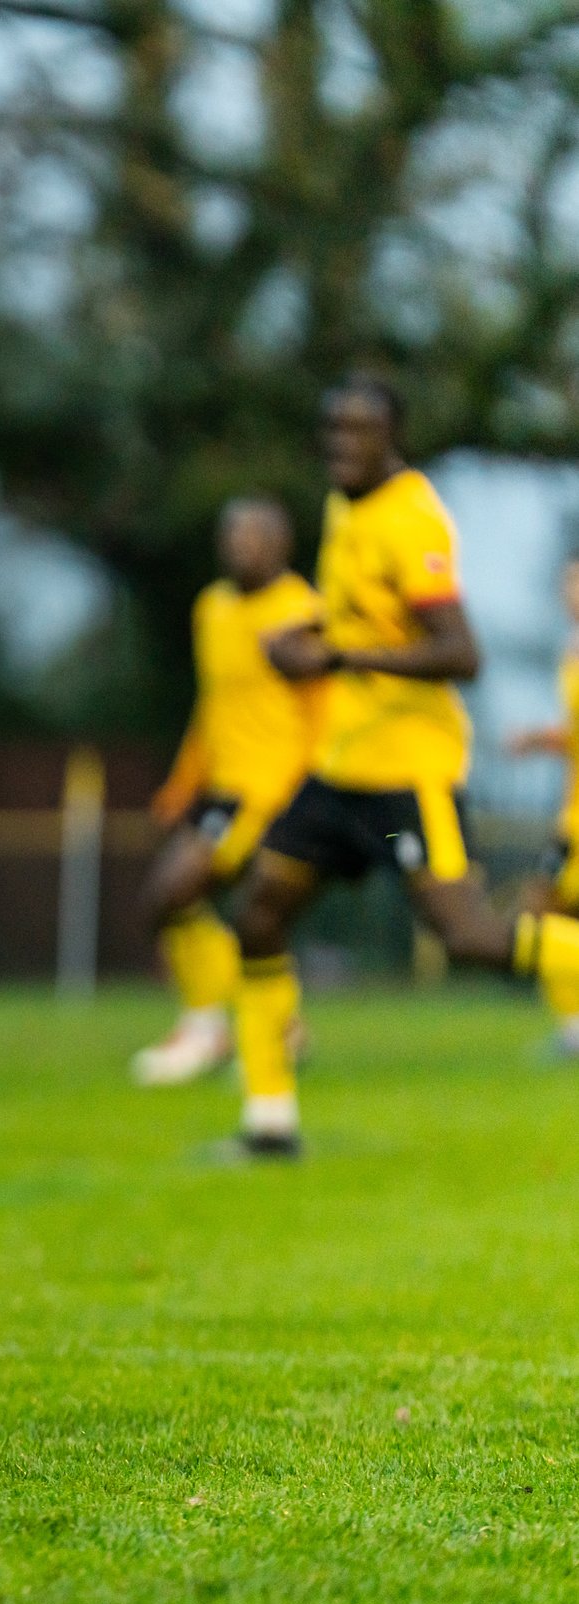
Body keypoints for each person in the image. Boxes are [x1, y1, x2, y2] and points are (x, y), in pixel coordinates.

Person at [229, 375, 579, 1154]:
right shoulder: (343, 504)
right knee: (259, 912)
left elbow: (462, 653)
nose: (342, 445)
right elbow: (354, 613)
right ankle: (269, 1121)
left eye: (359, 432)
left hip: (409, 770)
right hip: (340, 766)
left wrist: (335, 654)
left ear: (394, 437)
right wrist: (307, 630)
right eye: (333, 430)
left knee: (469, 937)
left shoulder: (414, 518)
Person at [131, 499, 324, 1085]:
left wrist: (313, 791)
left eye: (255, 533)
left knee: (174, 893)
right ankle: (274, 1025)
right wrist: (182, 782)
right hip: (222, 787)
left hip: (274, 791)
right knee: (207, 908)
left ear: (282, 544)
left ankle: (208, 1026)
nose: (242, 544)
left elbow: (324, 710)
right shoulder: (211, 608)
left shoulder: (302, 610)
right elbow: (211, 705)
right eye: (233, 533)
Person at [506, 551, 579, 1056]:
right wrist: (545, 740)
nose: (571, 593)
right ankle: (572, 1025)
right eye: (567, 584)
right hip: (571, 814)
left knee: (545, 910)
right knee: (547, 909)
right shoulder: (570, 654)